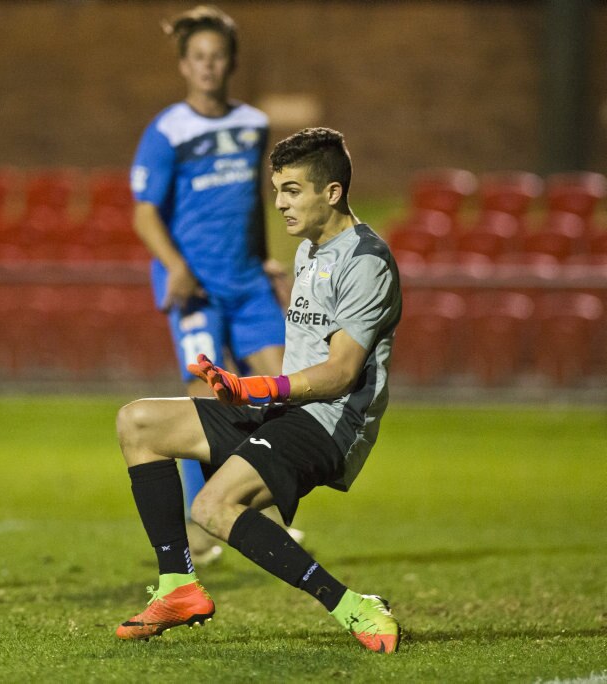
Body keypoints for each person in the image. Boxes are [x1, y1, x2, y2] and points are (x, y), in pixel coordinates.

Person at [114, 127, 402, 653]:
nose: (279, 204)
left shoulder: (367, 261)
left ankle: (351, 605)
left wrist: (254, 386)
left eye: (292, 191)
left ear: (331, 193)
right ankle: (178, 586)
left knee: (211, 507)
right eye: (276, 191)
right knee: (138, 423)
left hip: (329, 425)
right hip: (285, 411)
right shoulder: (311, 251)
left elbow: (339, 373)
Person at [129, 5, 294, 563]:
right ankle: (203, 528)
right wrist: (174, 264)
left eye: (217, 57)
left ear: (231, 64)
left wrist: (268, 260)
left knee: (279, 397)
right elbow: (144, 213)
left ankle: (253, 511)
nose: (207, 66)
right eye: (197, 57)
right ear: (184, 65)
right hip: (195, 290)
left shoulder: (251, 124)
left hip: (247, 284)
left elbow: (253, 202)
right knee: (205, 404)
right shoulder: (167, 130)